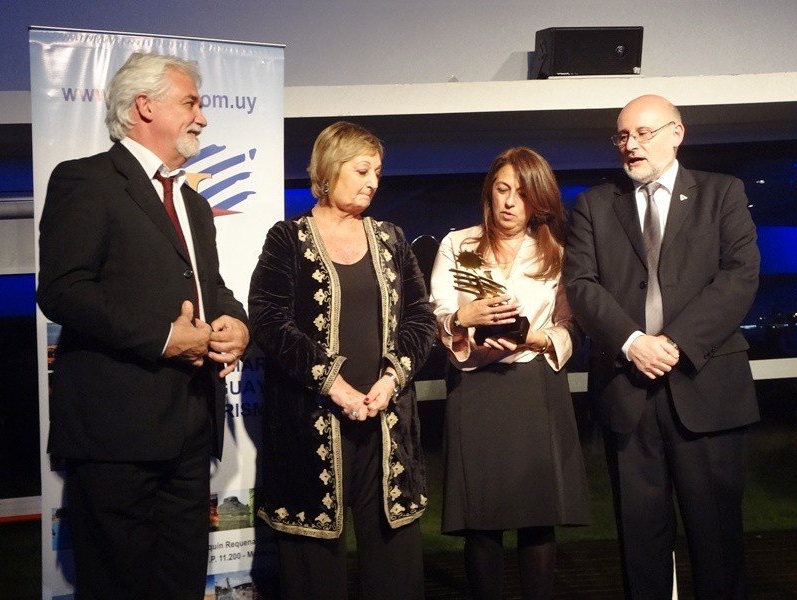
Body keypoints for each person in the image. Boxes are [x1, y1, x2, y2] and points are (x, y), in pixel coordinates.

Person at [37, 52, 249, 600]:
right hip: (116, 436)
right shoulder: (84, 180)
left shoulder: (194, 204)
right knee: (118, 585)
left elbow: (214, 289)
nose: (202, 117)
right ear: (144, 106)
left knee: (179, 584)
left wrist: (236, 325)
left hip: (190, 431)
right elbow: (62, 289)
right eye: (191, 103)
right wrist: (164, 337)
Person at [564, 94, 760, 599]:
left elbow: (740, 277)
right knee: (641, 541)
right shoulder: (592, 205)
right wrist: (632, 343)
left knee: (717, 542)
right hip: (628, 396)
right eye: (622, 136)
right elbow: (582, 285)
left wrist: (672, 343)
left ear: (677, 133)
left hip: (706, 389)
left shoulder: (723, 194)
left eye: (642, 133)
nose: (630, 146)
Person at [248, 121, 436, 599]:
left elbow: (421, 318)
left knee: (393, 565)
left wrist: (393, 379)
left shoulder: (392, 239)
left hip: (386, 423)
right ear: (330, 170)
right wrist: (334, 384)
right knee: (315, 573)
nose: (373, 181)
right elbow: (269, 320)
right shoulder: (287, 239)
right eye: (362, 169)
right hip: (310, 424)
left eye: (377, 171)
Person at [430, 147, 590, 600]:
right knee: (482, 522)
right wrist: (467, 319)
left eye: (521, 194)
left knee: (537, 520)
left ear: (537, 201)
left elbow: (571, 328)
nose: (509, 202)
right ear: (489, 191)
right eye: (502, 190)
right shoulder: (458, 245)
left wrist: (532, 338)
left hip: (534, 387)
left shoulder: (556, 254)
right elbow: (438, 314)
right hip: (475, 388)